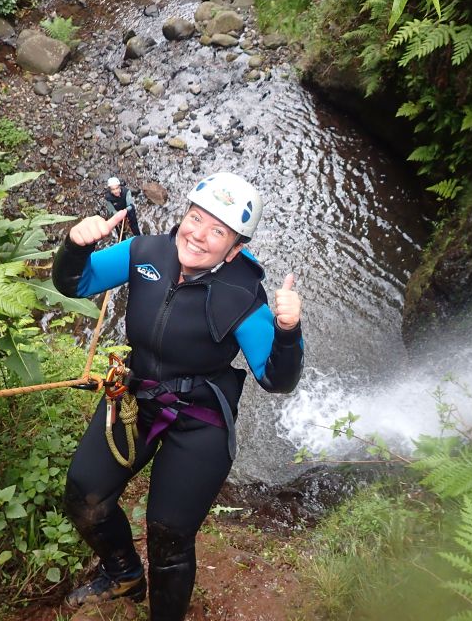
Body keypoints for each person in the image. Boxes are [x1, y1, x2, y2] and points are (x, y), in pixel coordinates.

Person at [52, 172, 304, 619]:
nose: (198, 235)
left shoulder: (243, 296)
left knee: (169, 534)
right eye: (195, 218)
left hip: (199, 419)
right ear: (183, 215)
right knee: (84, 496)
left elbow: (276, 379)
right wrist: (75, 245)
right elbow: (75, 284)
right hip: (135, 399)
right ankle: (124, 575)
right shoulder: (145, 253)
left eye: (217, 231)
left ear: (235, 248)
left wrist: (288, 331)